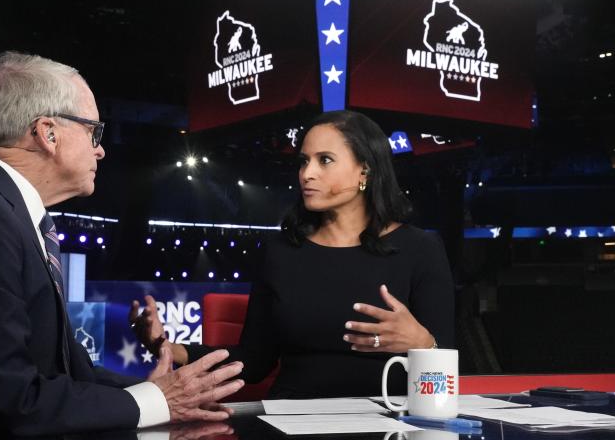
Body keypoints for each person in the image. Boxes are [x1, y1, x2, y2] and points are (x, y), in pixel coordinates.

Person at [0, 52, 245, 440]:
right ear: (47, 132)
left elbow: (62, 372)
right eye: (93, 131)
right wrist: (156, 401)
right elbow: (11, 398)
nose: (102, 149)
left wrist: (155, 392)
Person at [131, 110, 454, 398]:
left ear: (364, 172)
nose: (307, 173)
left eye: (324, 160)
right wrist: (167, 347)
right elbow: (254, 362)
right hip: (293, 430)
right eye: (303, 161)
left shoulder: (420, 248)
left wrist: (424, 344)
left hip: (389, 431)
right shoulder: (280, 252)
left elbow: (448, 366)